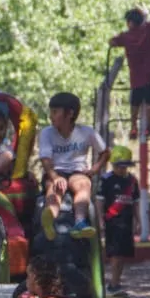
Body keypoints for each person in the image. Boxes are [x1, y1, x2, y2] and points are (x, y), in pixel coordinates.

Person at [38, 92, 108, 240]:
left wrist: (95, 168)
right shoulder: (46, 133)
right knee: (54, 188)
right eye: (51, 111)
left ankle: (80, 222)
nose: (51, 116)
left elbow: (105, 152)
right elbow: (46, 160)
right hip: (56, 171)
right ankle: (49, 217)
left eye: (55, 112)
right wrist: (55, 177)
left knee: (83, 184)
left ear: (70, 113)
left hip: (77, 172)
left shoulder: (86, 132)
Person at [109, 8, 150, 140]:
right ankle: (149, 126)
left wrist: (115, 39)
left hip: (136, 78)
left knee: (135, 103)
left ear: (129, 22)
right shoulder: (148, 29)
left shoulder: (125, 37)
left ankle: (133, 127)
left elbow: (112, 42)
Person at [100, 145, 140, 292]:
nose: (122, 170)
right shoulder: (106, 180)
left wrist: (138, 221)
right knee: (115, 255)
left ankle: (116, 282)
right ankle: (112, 284)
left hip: (127, 223)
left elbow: (135, 202)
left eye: (125, 167)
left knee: (123, 255)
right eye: (119, 167)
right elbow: (100, 201)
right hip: (112, 223)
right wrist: (100, 219)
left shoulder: (132, 181)